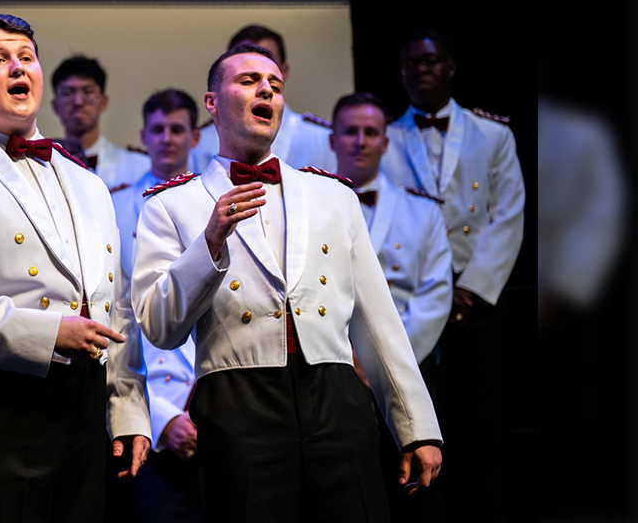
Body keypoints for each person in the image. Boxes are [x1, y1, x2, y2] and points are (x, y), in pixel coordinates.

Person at [132, 45, 442, 521]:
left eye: (275, 86)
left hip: (335, 394)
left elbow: (378, 323)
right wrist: (210, 240)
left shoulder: (333, 196)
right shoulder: (171, 205)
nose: (266, 91)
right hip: (239, 403)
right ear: (212, 103)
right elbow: (158, 325)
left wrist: (415, 426)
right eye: (250, 81)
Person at [0, 14, 151, 521]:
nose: (19, 67)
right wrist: (47, 333)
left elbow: (116, 306)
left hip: (83, 405)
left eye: (27, 57)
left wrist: (127, 408)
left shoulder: (87, 182)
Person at [379, 30, 525, 519]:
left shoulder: (493, 134)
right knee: (422, 425)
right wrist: (434, 294)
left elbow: (507, 215)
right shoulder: (388, 137)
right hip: (414, 301)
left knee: (483, 422)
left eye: (431, 60)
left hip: (474, 300)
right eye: (410, 64)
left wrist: (470, 289)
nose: (421, 70)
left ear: (451, 67)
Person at [330, 91, 452, 521]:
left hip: (411, 367)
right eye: (350, 131)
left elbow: (435, 296)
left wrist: (384, 362)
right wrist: (352, 358)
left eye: (371, 132)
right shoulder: (316, 207)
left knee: (418, 497)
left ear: (385, 142)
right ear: (332, 140)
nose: (360, 141)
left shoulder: (423, 212)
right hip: (338, 373)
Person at [111, 89, 203, 523]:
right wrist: (163, 412)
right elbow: (116, 315)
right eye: (158, 129)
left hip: (210, 394)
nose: (167, 138)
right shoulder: (111, 207)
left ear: (195, 138)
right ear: (144, 136)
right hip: (146, 394)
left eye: (178, 129)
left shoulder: (219, 205)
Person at [190, 24, 336, 173]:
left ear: (283, 71)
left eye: (268, 60)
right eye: (248, 79)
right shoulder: (198, 144)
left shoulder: (323, 140)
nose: (265, 89)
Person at [50, 55, 149, 192]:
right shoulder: (43, 166)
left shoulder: (139, 166)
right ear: (55, 105)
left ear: (103, 102)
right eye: (68, 93)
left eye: (88, 92)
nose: (78, 101)